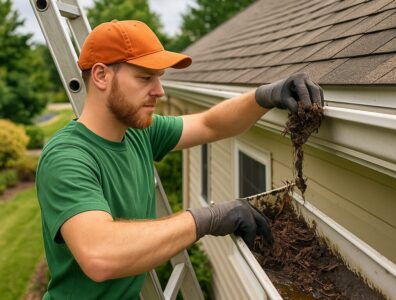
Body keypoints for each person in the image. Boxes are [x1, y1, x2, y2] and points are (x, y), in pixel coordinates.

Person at [36, 20, 324, 299]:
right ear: (101, 76)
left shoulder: (138, 133)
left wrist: (265, 95)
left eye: (159, 78)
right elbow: (100, 256)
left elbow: (211, 124)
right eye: (145, 77)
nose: (159, 91)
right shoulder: (67, 157)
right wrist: (207, 218)